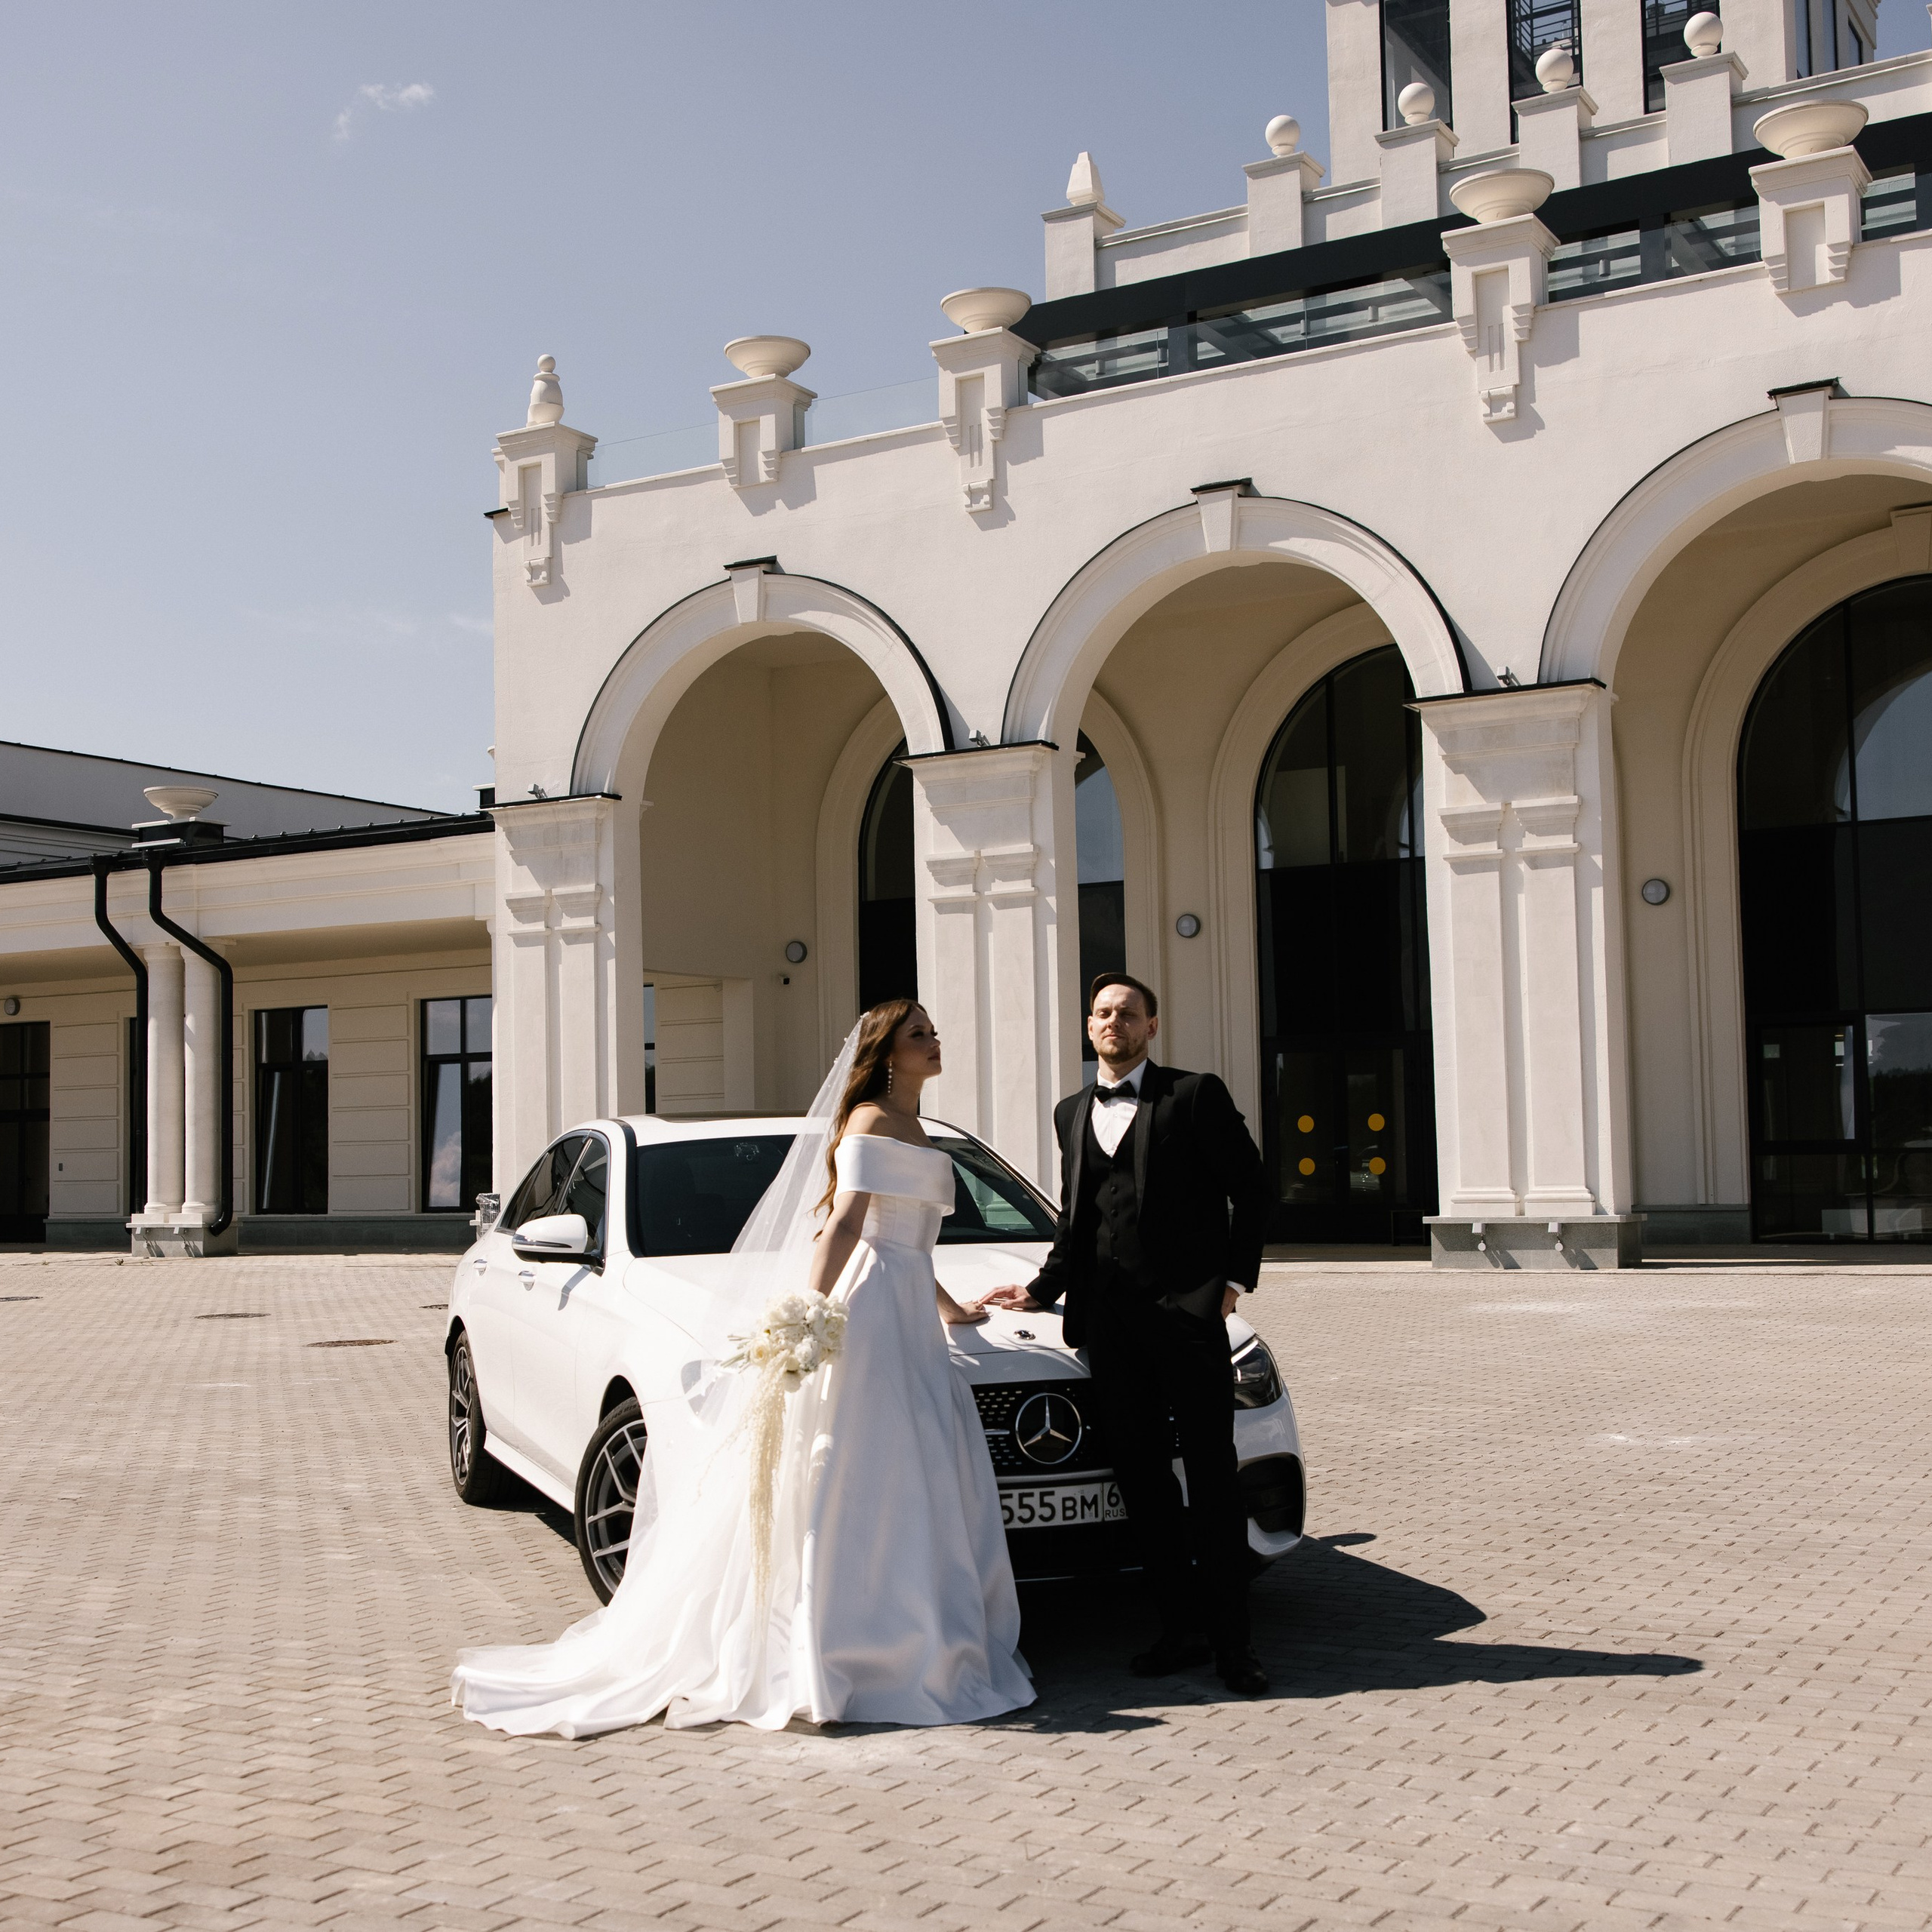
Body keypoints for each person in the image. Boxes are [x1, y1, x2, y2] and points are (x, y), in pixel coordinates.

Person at [451, 999, 1035, 1735]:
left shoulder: (918, 1127)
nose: (933, 1040)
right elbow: (848, 1225)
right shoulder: (868, 1123)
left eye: (931, 1030)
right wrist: (807, 1316)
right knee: (864, 1467)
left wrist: (956, 1311)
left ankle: (917, 1635)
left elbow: (909, 1242)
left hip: (910, 1305)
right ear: (886, 1054)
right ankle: (851, 1649)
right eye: (918, 1033)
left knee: (908, 1470)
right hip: (874, 1312)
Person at [985, 972, 1272, 1696]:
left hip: (1186, 1319)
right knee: (1142, 1484)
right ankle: (1179, 1631)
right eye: (1102, 1013)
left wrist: (1232, 1284)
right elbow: (1077, 1219)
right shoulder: (1069, 1111)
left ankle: (1235, 1646)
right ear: (1089, 1028)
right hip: (1108, 1328)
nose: (1113, 1022)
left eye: (1127, 1013)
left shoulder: (1193, 1094)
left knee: (1210, 1482)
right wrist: (1041, 1290)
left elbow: (1254, 1187)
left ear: (1151, 1026)